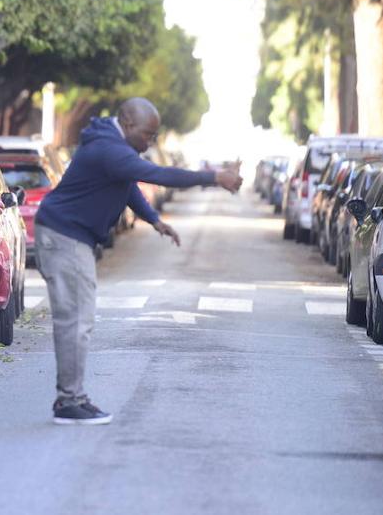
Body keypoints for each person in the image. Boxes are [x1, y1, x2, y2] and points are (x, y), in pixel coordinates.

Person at [33, 97, 242, 425]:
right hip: (65, 237)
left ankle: (72, 397)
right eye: (148, 134)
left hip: (67, 235)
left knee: (78, 319)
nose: (151, 141)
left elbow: (127, 186)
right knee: (76, 321)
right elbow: (157, 174)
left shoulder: (111, 144)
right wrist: (213, 177)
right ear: (128, 124)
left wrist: (153, 219)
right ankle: (69, 401)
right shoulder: (109, 149)